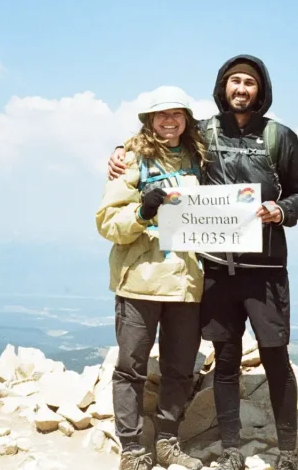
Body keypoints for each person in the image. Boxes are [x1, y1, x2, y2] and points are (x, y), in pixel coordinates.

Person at [108, 56, 298, 470]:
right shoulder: (204, 132)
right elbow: (160, 135)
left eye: (250, 83)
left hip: (267, 269)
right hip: (217, 269)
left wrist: (281, 210)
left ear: (261, 90)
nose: (242, 89)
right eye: (235, 81)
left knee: (276, 355)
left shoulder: (280, 137)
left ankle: (288, 452)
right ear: (223, 87)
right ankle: (232, 448)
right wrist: (120, 149)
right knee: (225, 356)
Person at [95, 86, 209, 470]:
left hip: (186, 281)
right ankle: (130, 450)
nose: (170, 120)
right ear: (148, 119)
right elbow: (108, 223)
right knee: (131, 368)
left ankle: (166, 442)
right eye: (161, 115)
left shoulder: (201, 157)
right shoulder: (130, 159)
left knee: (179, 368)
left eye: (177, 114)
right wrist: (142, 213)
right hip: (140, 280)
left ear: (187, 119)